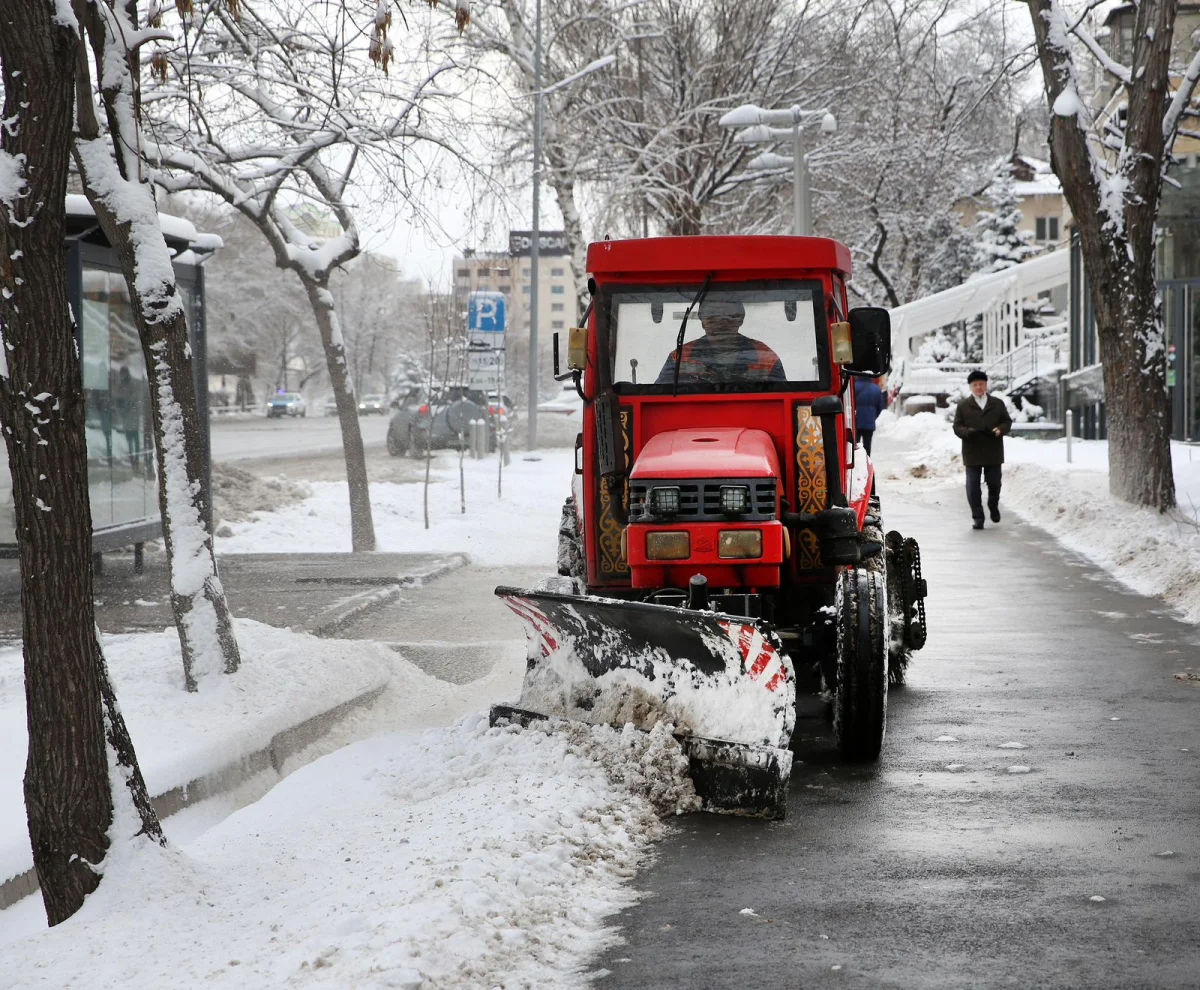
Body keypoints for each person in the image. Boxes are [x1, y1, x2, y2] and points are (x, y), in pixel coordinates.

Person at [655, 298, 786, 385]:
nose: (721, 322)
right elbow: (657, 398)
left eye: (729, 316)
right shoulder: (679, 358)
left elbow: (785, 398)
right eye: (712, 316)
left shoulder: (765, 359)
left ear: (740, 319)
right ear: (702, 321)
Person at [953, 369, 1012, 530]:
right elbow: (957, 426)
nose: (978, 387)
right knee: (972, 486)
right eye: (975, 385)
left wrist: (1000, 429)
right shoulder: (964, 406)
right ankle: (978, 517)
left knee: (994, 484)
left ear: (986, 385)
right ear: (970, 387)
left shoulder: (997, 404)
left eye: (981, 384)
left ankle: (993, 506)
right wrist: (967, 432)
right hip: (972, 451)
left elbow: (1007, 421)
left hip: (993, 450)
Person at [854, 376, 888, 454]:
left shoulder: (854, 387)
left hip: (856, 422)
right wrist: (873, 416)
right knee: (867, 446)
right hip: (869, 423)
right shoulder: (876, 389)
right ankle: (867, 461)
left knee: (855, 447)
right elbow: (880, 407)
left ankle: (856, 463)